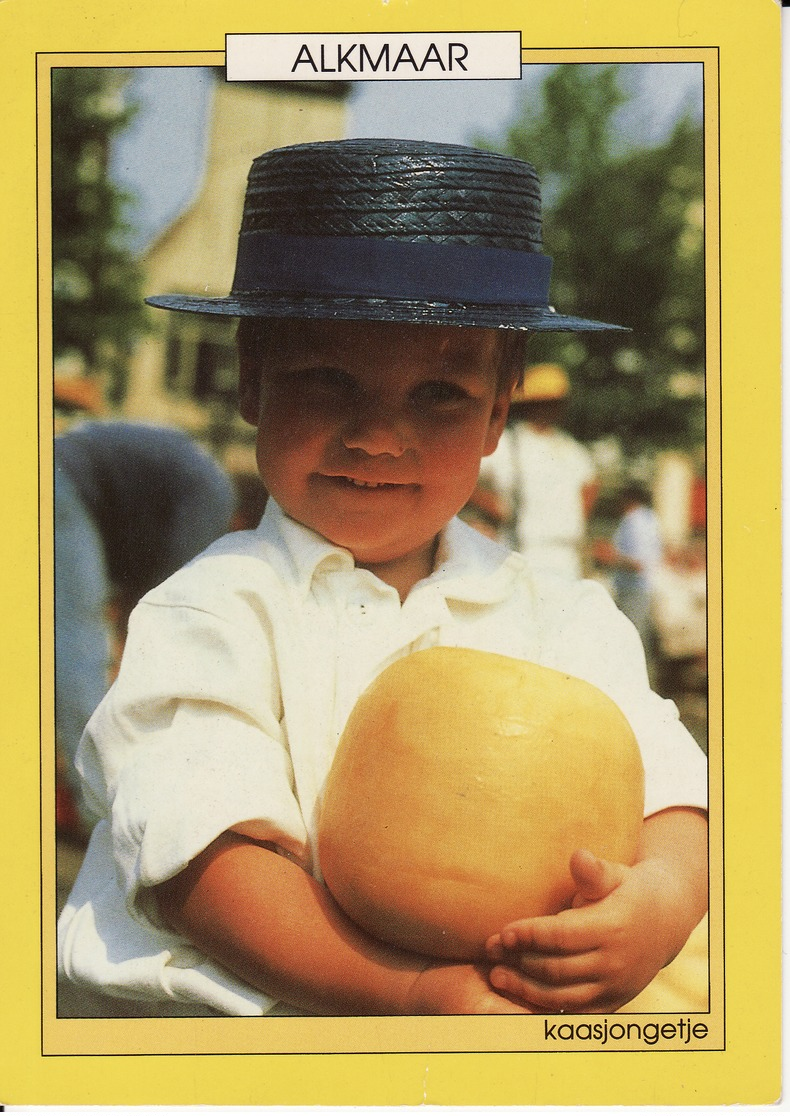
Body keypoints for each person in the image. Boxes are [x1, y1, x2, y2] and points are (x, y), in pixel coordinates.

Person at [58, 138, 707, 1018]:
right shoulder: (213, 612)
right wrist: (411, 995)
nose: (377, 437)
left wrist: (662, 901)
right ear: (253, 383)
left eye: (438, 393)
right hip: (243, 1048)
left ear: (496, 414)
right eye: (328, 380)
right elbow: (203, 870)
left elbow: (675, 790)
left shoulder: (563, 618)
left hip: (502, 1021)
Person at [55, 418, 236, 828]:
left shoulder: (191, 498)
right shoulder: (211, 503)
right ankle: (99, 813)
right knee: (77, 643)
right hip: (58, 482)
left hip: (75, 485)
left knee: (70, 643)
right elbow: (157, 611)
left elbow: (140, 606)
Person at [478, 363, 598, 580]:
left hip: (565, 553)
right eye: (544, 403)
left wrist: (572, 518)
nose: (550, 409)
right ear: (528, 405)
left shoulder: (570, 448)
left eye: (556, 403)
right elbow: (465, 479)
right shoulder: (508, 443)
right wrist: (497, 508)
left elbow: (590, 484)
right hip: (521, 548)